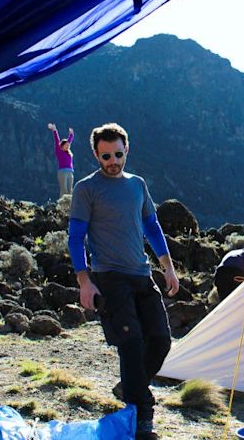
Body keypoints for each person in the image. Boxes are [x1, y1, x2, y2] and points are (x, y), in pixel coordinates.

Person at [67, 122, 179, 440]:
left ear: (126, 149)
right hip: (110, 278)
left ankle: (129, 387)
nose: (113, 161)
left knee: (160, 340)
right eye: (105, 156)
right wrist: (84, 281)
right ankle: (142, 415)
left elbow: (152, 227)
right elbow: (75, 238)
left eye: (118, 154)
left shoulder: (137, 185)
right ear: (96, 155)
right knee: (130, 344)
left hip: (142, 276)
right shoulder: (86, 189)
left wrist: (168, 268)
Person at [48, 123, 74, 197]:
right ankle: (62, 205)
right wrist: (54, 130)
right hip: (62, 171)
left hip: (70, 172)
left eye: (68, 145)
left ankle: (69, 206)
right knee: (64, 189)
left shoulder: (68, 153)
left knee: (70, 190)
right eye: (66, 145)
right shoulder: (59, 151)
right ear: (61, 146)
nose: (68, 146)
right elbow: (57, 140)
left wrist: (71, 134)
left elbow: (69, 141)